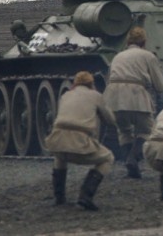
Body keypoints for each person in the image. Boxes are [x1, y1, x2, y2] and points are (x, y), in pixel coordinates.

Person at [43, 70, 116, 211]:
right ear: (91, 83)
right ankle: (86, 196)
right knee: (108, 158)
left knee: (60, 156)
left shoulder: (66, 95)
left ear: (75, 83)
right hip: (80, 141)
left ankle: (59, 197)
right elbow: (111, 120)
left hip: (57, 139)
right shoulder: (95, 95)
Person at [104, 26, 163, 178]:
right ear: (144, 41)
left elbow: (109, 77)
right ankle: (133, 159)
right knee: (147, 131)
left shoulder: (118, 56)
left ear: (128, 41)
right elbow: (160, 85)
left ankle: (131, 169)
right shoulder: (148, 56)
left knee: (124, 130)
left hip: (113, 97)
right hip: (136, 95)